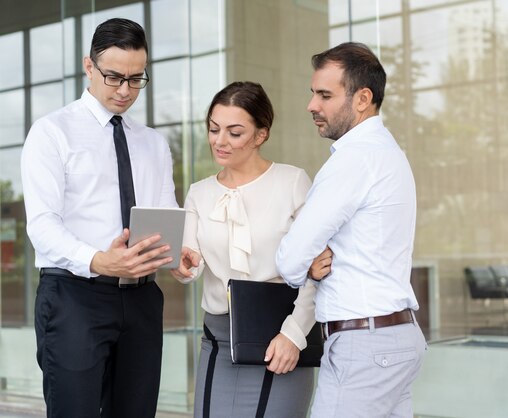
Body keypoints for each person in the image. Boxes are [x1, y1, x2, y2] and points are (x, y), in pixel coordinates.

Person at [21, 18, 177, 418]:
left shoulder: (154, 144)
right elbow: (41, 225)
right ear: (88, 66)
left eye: (136, 79)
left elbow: (167, 216)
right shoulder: (52, 133)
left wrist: (182, 257)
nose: (125, 90)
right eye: (114, 77)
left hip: (142, 299)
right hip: (75, 297)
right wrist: (97, 259)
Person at [276, 42, 427, 418]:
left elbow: (291, 257)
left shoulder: (355, 159)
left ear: (362, 99)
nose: (312, 105)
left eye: (325, 95)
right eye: (313, 93)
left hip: (366, 346)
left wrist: (304, 267)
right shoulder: (387, 151)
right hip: (393, 338)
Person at [170, 81, 318, 418]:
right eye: (213, 129)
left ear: (260, 135)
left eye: (234, 132)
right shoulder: (198, 192)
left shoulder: (292, 182)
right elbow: (190, 267)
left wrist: (294, 334)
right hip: (218, 340)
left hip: (281, 336)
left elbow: (319, 269)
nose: (219, 141)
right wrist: (183, 266)